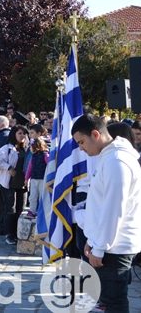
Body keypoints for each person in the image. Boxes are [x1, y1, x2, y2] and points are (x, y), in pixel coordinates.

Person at [72, 114, 141, 313]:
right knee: (107, 302)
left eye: (82, 142)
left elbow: (114, 209)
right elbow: (100, 206)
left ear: (96, 134)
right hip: (108, 244)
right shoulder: (109, 157)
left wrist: (100, 247)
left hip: (115, 247)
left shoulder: (117, 161)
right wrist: (92, 239)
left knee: (113, 304)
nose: (81, 148)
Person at [0, 125, 28, 245]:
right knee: (10, 209)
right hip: (10, 183)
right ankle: (9, 234)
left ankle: (18, 233)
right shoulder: (7, 148)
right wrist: (8, 168)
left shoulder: (27, 149)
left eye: (24, 133)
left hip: (22, 183)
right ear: (14, 134)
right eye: (19, 133)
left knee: (20, 209)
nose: (22, 136)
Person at [25, 137, 48, 218]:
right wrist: (26, 178)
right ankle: (32, 210)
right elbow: (29, 168)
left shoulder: (45, 155)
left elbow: (49, 165)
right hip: (34, 179)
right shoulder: (33, 156)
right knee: (33, 196)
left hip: (43, 179)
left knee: (43, 196)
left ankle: (43, 211)